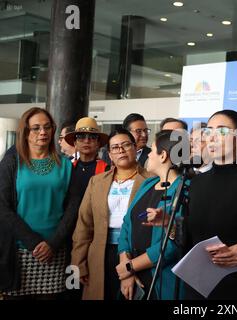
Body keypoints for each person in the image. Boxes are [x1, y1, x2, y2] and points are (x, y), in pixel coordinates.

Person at [147, 110, 237, 300]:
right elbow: (187, 241)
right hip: (195, 286)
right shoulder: (195, 183)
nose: (213, 137)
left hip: (235, 289)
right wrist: (170, 224)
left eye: (222, 131)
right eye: (209, 131)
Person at [0, 107, 78, 299]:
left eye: (47, 127)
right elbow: (2, 207)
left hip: (55, 251)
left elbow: (72, 209)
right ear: (25, 132)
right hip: (19, 251)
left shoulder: (66, 165)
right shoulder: (12, 163)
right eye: (35, 128)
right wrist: (33, 242)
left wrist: (52, 244)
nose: (42, 132)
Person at [71, 128, 150, 300]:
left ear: (136, 148)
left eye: (126, 145)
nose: (120, 150)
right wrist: (78, 263)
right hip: (99, 254)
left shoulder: (151, 180)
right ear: (110, 154)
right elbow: (84, 224)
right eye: (115, 147)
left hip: (136, 254)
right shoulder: (97, 182)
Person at [117, 130, 186, 300]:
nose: (148, 154)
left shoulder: (185, 189)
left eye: (152, 150)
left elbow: (175, 243)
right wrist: (125, 263)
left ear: (163, 156)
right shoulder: (148, 183)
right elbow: (127, 223)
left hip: (161, 278)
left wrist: (131, 266)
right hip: (131, 274)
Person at [64, 117, 110, 201]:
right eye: (81, 136)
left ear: (98, 143)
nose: (86, 141)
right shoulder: (68, 168)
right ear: (75, 143)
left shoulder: (106, 169)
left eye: (92, 137)